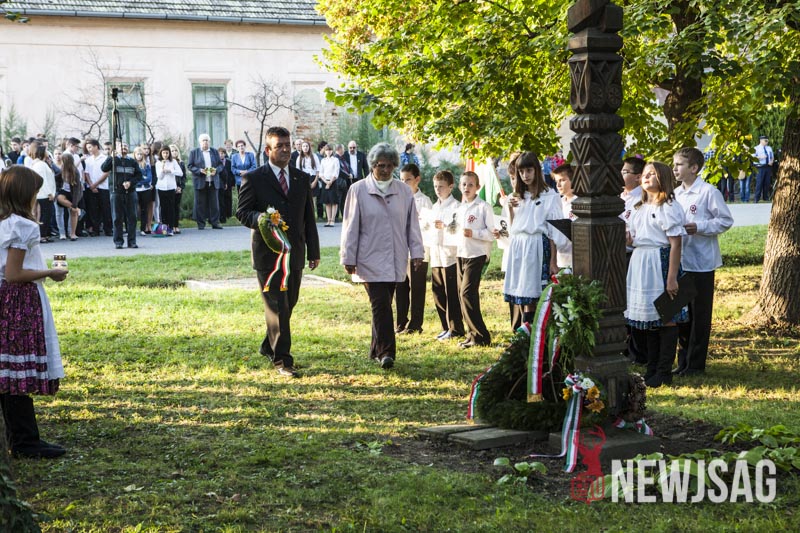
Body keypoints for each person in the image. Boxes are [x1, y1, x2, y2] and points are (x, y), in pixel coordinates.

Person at [236, 127, 320, 378]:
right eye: (279, 146)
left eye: (287, 145)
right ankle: (282, 360)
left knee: (289, 303)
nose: (285, 150)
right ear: (267, 150)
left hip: (295, 253)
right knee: (277, 306)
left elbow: (309, 217)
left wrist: (313, 251)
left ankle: (268, 345)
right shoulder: (254, 178)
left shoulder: (301, 178)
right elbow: (242, 212)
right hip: (268, 255)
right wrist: (261, 218)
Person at [0, 166, 69, 458]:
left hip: (5, 298)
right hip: (18, 300)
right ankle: (26, 441)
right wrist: (50, 273)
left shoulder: (4, 222)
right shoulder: (22, 226)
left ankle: (20, 437)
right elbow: (14, 273)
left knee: (8, 368)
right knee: (17, 370)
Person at [340, 142, 424, 369]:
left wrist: (417, 252)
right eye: (380, 165)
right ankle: (386, 352)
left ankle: (375, 348)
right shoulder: (358, 190)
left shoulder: (403, 191)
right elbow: (350, 226)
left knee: (384, 303)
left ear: (394, 166)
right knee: (380, 305)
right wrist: (348, 256)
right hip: (368, 258)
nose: (385, 170)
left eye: (389, 166)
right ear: (372, 165)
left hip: (395, 257)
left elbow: (412, 225)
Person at [625, 161, 687, 388]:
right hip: (641, 261)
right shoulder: (639, 207)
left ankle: (664, 370)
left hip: (659, 261)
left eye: (652, 174)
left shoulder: (668, 206)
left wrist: (671, 277)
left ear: (662, 178)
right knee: (650, 319)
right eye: (645, 174)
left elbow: (676, 243)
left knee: (666, 317)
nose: (646, 177)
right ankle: (652, 367)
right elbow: (634, 238)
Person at [673, 147, 734, 377]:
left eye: (679, 164)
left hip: (701, 262)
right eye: (674, 164)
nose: (675, 168)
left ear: (694, 168)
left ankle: (696, 364)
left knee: (699, 314)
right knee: (683, 315)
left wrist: (700, 227)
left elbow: (725, 220)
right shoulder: (675, 194)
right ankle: (683, 360)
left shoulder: (708, 192)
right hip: (681, 260)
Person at [501, 153, 560, 325]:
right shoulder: (518, 196)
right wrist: (511, 209)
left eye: (529, 170)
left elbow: (553, 231)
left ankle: (540, 331)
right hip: (520, 247)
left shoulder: (549, 195)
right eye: (521, 172)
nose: (525, 175)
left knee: (539, 295)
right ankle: (526, 331)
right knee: (525, 294)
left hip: (537, 246)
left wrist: (553, 261)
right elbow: (514, 228)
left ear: (536, 170)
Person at [455, 170, 494, 348]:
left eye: (470, 184)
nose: (467, 187)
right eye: (464, 184)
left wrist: (474, 233)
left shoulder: (483, 207)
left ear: (477, 187)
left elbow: (491, 233)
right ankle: (471, 334)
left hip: (476, 254)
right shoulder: (460, 208)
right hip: (461, 253)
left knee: (467, 293)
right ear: (459, 186)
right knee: (462, 295)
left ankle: (481, 336)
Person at [395, 163, 432, 335]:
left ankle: (416, 323)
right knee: (400, 287)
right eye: (401, 180)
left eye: (408, 180)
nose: (404, 183)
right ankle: (401, 322)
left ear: (417, 179)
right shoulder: (398, 198)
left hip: (418, 250)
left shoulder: (424, 201)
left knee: (417, 288)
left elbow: (427, 226)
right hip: (401, 250)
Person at [428, 170, 464, 340]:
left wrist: (445, 226)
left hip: (450, 255)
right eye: (436, 186)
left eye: (441, 186)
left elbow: (458, 230)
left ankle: (456, 328)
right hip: (436, 254)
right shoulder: (434, 207)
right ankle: (445, 326)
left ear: (450, 187)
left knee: (452, 293)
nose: (438, 190)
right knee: (438, 291)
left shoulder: (457, 207)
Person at [619, 156, 646, 364]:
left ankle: (638, 351)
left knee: (634, 302)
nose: (621, 174)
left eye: (625, 172)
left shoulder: (642, 199)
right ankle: (623, 346)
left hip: (632, 254)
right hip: (616, 256)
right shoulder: (620, 197)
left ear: (638, 177)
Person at [101, 142, 142, 249]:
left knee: (132, 217)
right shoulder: (113, 160)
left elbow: (139, 175)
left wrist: (130, 183)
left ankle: (132, 241)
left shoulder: (132, 161)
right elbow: (104, 168)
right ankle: (118, 242)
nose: (124, 148)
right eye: (121, 146)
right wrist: (111, 157)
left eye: (126, 146)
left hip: (130, 192)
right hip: (116, 192)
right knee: (117, 218)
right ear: (117, 149)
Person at [188, 133, 224, 230]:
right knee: (200, 203)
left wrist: (216, 170)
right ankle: (201, 223)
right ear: (200, 142)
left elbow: (220, 165)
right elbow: (190, 166)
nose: (205, 142)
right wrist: (199, 170)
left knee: (214, 203)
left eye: (207, 140)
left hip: (213, 181)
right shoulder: (194, 152)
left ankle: (215, 222)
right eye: (203, 140)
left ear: (209, 142)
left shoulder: (214, 151)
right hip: (200, 181)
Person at [83, 139, 112, 237]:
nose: (89, 149)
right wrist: (91, 185)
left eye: (90, 147)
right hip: (91, 187)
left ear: (96, 146)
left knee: (106, 208)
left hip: (103, 187)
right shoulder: (88, 160)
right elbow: (86, 173)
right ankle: (95, 229)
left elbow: (106, 173)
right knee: (93, 209)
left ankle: (108, 229)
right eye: (87, 148)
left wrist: (96, 184)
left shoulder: (105, 158)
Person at [553, 163, 577, 270]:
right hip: (560, 258)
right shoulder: (558, 203)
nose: (558, 185)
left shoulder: (580, 203)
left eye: (562, 180)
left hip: (575, 257)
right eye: (556, 181)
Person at [31, 144, 57, 244]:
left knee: (46, 215)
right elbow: (43, 180)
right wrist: (49, 193)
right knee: (44, 215)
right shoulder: (40, 165)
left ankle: (45, 234)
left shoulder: (42, 163)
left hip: (45, 193)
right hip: (44, 194)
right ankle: (42, 235)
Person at [156, 146, 183, 236]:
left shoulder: (173, 161)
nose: (165, 155)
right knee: (163, 208)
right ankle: (164, 229)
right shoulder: (158, 163)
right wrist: (163, 169)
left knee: (171, 208)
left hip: (171, 187)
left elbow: (180, 173)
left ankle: (170, 228)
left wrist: (170, 170)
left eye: (167, 153)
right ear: (161, 153)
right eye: (164, 153)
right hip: (162, 187)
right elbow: (159, 177)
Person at [56, 153, 83, 241]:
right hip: (64, 191)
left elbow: (76, 190)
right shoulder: (62, 168)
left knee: (73, 212)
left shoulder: (75, 171)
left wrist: (75, 204)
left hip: (73, 193)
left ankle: (72, 233)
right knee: (59, 198)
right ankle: (77, 209)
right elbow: (57, 177)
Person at [133, 146, 155, 235]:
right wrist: (140, 180)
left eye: (140, 154)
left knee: (144, 209)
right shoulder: (132, 164)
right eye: (137, 154)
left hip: (145, 189)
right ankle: (132, 228)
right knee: (134, 209)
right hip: (135, 190)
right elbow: (132, 178)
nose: (139, 156)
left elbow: (149, 178)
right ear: (134, 155)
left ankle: (143, 228)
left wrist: (139, 181)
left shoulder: (146, 165)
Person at [295, 141, 321, 216]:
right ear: (301, 148)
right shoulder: (299, 158)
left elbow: (318, 170)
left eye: (307, 146)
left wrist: (315, 181)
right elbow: (298, 171)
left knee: (313, 199)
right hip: (303, 179)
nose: (305, 148)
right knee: (305, 199)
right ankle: (305, 216)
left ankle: (312, 215)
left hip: (313, 178)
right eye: (304, 146)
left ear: (309, 147)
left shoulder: (314, 156)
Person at [319, 144, 340, 227]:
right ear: (325, 151)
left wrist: (330, 182)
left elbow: (336, 172)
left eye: (330, 150)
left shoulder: (335, 160)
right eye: (327, 150)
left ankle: (332, 220)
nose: (328, 151)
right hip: (325, 181)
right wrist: (326, 182)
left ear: (332, 151)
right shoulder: (323, 160)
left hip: (333, 181)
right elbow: (321, 173)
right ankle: (328, 220)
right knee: (327, 202)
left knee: (334, 201)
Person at [170, 145, 187, 234]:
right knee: (170, 207)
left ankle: (176, 226)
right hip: (170, 187)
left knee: (176, 207)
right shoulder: (168, 163)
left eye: (176, 150)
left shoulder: (181, 163)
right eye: (172, 151)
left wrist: (181, 187)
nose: (174, 152)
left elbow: (183, 177)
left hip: (179, 187)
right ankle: (171, 225)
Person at [752, 135, 774, 203]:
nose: (767, 142)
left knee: (767, 183)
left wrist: (771, 161)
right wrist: (760, 157)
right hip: (760, 167)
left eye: (767, 141)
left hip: (768, 166)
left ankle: (765, 197)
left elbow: (772, 156)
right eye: (765, 140)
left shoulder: (769, 148)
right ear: (761, 140)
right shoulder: (756, 148)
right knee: (759, 183)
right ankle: (757, 198)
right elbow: (753, 158)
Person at [218, 146, 236, 223]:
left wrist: (233, 184)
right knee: (221, 199)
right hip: (220, 183)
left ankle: (228, 214)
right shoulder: (217, 162)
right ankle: (222, 215)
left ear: (225, 154)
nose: (221, 155)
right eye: (220, 153)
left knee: (228, 198)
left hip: (228, 182)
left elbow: (232, 173)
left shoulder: (229, 162)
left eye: (222, 153)